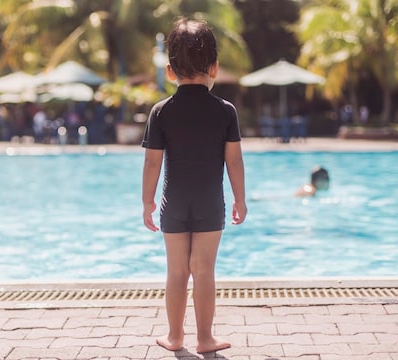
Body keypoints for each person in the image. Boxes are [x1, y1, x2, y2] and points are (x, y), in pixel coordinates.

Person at [141, 18, 247, 354]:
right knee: (204, 271)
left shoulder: (161, 112)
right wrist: (240, 199)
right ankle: (205, 339)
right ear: (214, 67)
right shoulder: (225, 111)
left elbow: (153, 162)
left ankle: (175, 337)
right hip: (210, 203)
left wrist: (147, 202)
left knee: (176, 271)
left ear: (170, 71)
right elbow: (234, 161)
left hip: (174, 203)